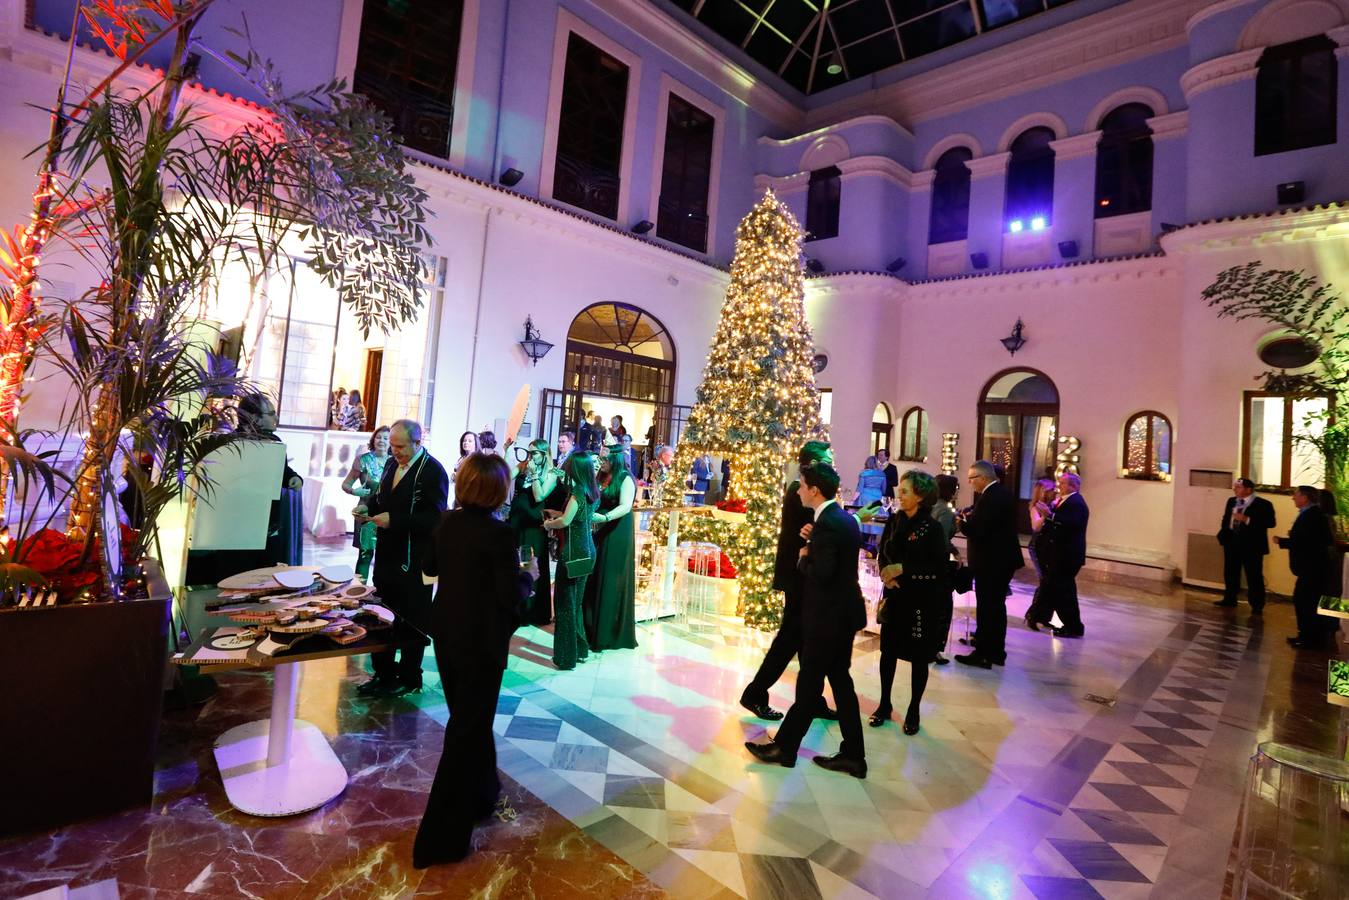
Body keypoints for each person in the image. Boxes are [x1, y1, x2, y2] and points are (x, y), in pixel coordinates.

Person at [412, 453, 537, 869]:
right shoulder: (500, 535)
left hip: (447, 636)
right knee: (466, 730)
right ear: (499, 490)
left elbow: (430, 567)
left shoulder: (446, 523)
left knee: (469, 719)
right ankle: (439, 840)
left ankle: (483, 794)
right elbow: (508, 595)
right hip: (481, 641)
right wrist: (528, 577)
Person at [745, 462, 867, 777]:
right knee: (840, 685)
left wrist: (803, 557)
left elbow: (823, 573)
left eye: (801, 485)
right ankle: (853, 754)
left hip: (828, 619)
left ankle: (785, 748)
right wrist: (815, 540)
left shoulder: (828, 522)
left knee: (810, 685)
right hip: (843, 615)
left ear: (814, 490)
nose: (798, 490)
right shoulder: (841, 517)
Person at [740, 440, 838, 720]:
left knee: (805, 641)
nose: (832, 461)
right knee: (791, 639)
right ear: (814, 462)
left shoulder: (800, 487)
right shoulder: (801, 490)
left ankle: (811, 699)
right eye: (827, 458)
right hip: (799, 575)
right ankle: (755, 692)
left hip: (800, 573)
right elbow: (816, 530)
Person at [355, 419, 449, 697]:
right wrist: (366, 505)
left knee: (412, 621)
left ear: (418, 443)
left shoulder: (433, 471)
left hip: (416, 560)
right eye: (393, 446)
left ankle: (409, 677)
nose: (394, 451)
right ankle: (382, 673)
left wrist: (394, 520)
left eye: (400, 446)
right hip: (386, 557)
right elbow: (382, 497)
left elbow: (435, 519)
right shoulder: (391, 465)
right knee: (381, 617)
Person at [870, 470, 949, 735]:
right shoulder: (895, 521)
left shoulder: (932, 528)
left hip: (920, 603)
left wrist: (903, 569)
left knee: (918, 658)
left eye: (904, 491)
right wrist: (886, 574)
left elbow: (938, 569)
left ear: (920, 496)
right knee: (888, 653)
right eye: (899, 491)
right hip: (895, 598)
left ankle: (914, 709)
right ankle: (884, 704)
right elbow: (883, 553)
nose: (898, 496)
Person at [955, 460, 1023, 669]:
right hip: (1000, 560)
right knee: (995, 608)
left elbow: (978, 531)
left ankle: (984, 653)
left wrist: (961, 523)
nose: (969, 482)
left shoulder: (991, 497)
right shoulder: (1000, 493)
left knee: (988, 609)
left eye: (972, 478)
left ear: (982, 478)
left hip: (992, 562)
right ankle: (995, 652)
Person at [543, 452, 599, 670]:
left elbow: (566, 520)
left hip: (573, 552)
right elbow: (579, 516)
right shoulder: (592, 491)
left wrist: (549, 524)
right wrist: (559, 512)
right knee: (576, 603)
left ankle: (566, 657)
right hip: (588, 550)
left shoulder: (576, 493)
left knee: (565, 604)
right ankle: (579, 649)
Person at [582, 445, 638, 652]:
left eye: (605, 458)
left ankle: (608, 632)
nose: (602, 461)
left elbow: (625, 506)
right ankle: (591, 627)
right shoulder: (601, 476)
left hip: (617, 530)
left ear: (615, 459)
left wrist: (605, 517)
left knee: (611, 577)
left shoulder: (625, 479)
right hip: (601, 528)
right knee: (595, 575)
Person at [508, 438, 567, 626]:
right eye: (529, 452)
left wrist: (533, 475)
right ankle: (514, 608)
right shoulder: (524, 465)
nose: (530, 456)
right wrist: (508, 451)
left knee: (529, 562)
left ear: (544, 454)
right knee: (514, 562)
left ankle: (529, 611)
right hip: (517, 521)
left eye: (534, 453)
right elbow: (505, 476)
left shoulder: (550, 472)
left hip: (533, 524)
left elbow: (540, 495)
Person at [1279, 485, 1335, 649]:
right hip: (1311, 567)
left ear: (1305, 497)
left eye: (1296, 494)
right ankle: (1307, 635)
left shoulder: (1313, 515)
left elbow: (1309, 541)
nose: (1293, 497)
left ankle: (1310, 637)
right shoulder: (1311, 515)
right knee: (1304, 600)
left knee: (1306, 601)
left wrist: (1284, 542)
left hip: (1313, 567)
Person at [1216, 477, 1275, 613]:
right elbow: (1226, 519)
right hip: (1232, 542)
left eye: (1238, 487)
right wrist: (1224, 533)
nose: (1235, 489)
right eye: (1235, 487)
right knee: (1230, 572)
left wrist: (1247, 519)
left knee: (1253, 575)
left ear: (1248, 490)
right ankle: (1230, 598)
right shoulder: (1231, 501)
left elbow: (1271, 523)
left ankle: (1257, 604)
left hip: (1252, 545)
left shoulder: (1263, 504)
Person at [1040, 472, 1089, 638]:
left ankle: (1073, 626)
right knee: (1061, 591)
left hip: (1067, 556)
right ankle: (1069, 624)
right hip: (1061, 555)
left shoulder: (1077, 502)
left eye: (1062, 483)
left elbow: (1072, 524)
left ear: (1073, 486)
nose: (1059, 486)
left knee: (1064, 592)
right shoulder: (1066, 501)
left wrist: (1050, 515)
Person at [342, 425, 391, 580]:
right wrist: (354, 491)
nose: (381, 441)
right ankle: (358, 592)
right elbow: (346, 484)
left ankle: (380, 593)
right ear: (373, 439)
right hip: (366, 513)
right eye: (378, 437)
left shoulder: (395, 462)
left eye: (386, 438)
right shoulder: (363, 460)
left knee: (386, 557)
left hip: (387, 514)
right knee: (365, 554)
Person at [929, 473, 960, 664]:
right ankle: (935, 649)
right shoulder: (945, 511)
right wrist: (955, 552)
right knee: (942, 607)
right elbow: (941, 540)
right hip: (938, 564)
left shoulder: (928, 506)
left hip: (924, 562)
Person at [1023, 477, 1057, 630]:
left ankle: (1044, 616)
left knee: (1050, 582)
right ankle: (1033, 615)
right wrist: (1045, 515)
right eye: (1050, 489)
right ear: (1043, 491)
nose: (1054, 491)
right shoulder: (1036, 507)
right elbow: (1036, 527)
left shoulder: (1053, 505)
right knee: (1044, 580)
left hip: (1048, 547)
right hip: (1037, 546)